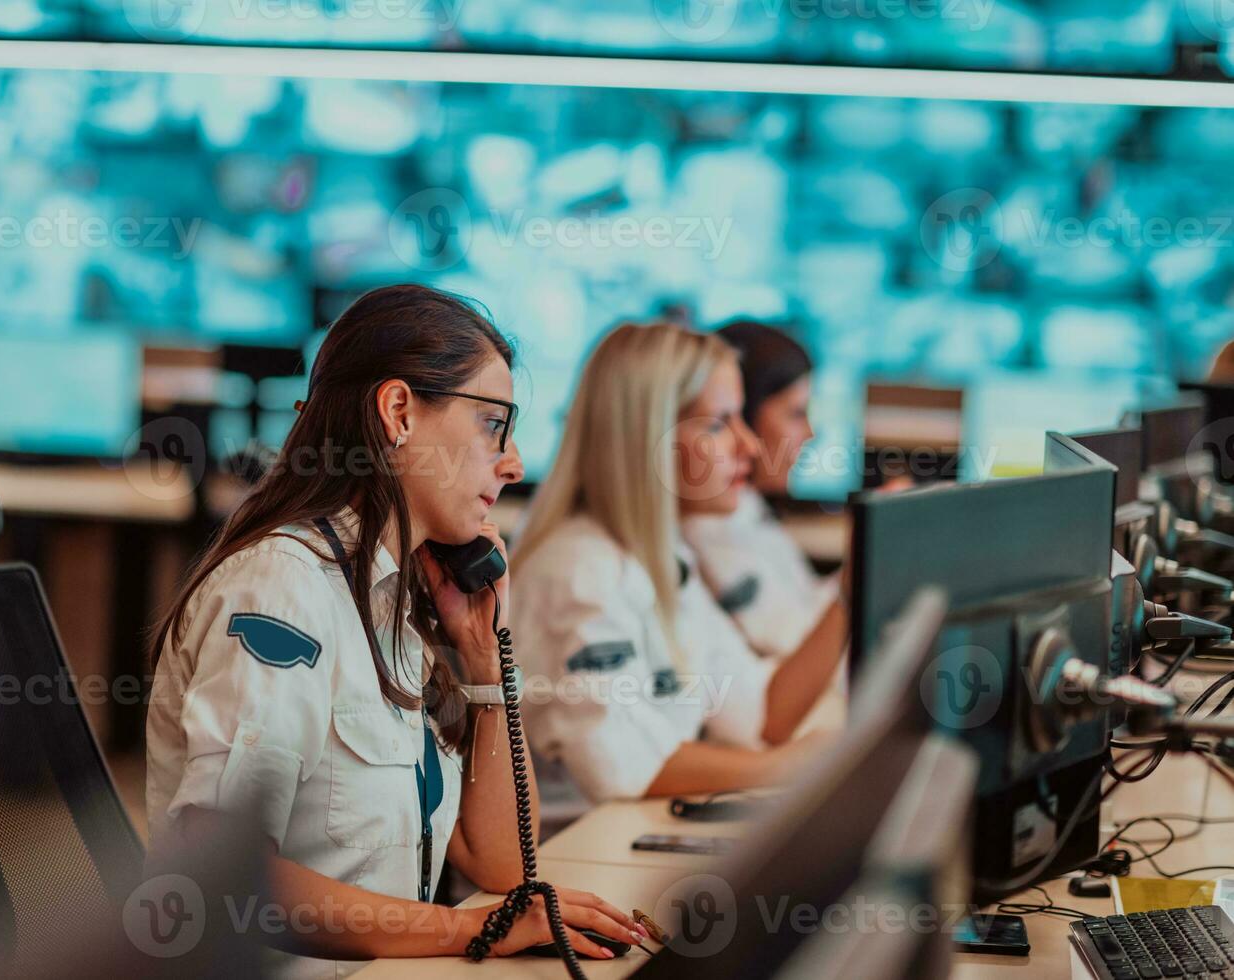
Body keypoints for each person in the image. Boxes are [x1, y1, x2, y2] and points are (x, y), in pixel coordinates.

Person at [143, 284, 645, 979]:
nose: (514, 461)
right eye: (492, 424)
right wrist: (467, 930)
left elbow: (499, 860)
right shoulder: (281, 592)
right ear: (399, 412)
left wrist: (481, 662)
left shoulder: (399, 597)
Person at [509, 322, 840, 810]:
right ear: (648, 436)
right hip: (579, 859)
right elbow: (619, 767)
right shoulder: (580, 567)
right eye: (718, 424)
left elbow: (759, 716)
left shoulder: (664, 558)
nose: (747, 446)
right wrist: (787, 767)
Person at [680, 320, 844, 661]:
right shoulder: (709, 529)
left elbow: (805, 609)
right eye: (796, 414)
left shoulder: (748, 509)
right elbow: (794, 647)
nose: (811, 434)